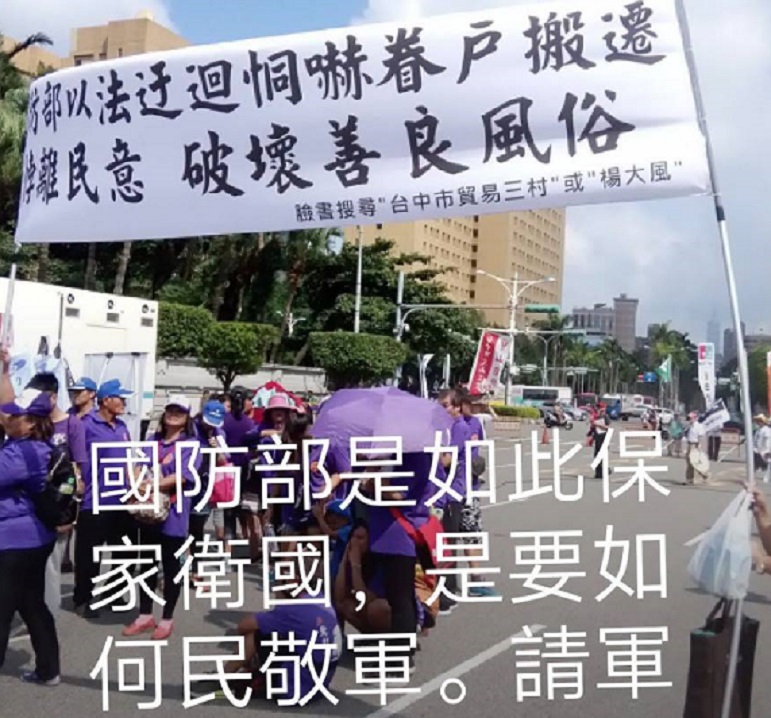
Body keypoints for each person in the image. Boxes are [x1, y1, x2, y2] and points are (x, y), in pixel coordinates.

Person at [123, 396, 202, 640]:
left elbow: (183, 476)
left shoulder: (191, 445)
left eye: (180, 411)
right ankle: (145, 615)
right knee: (146, 564)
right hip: (147, 511)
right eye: (170, 409)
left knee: (171, 568)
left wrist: (149, 485)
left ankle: (167, 618)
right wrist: (137, 483)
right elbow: (137, 466)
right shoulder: (151, 441)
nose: (174, 414)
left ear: (187, 417)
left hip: (174, 513)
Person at [0, 389, 61, 686]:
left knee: (4, 607)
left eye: (14, 416)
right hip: (34, 537)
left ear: (30, 423)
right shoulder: (35, 447)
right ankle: (48, 670)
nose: (6, 418)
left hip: (14, 540)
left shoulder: (20, 454)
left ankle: (48, 669)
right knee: (31, 603)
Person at [73, 379, 138, 619]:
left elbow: (128, 461)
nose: (124, 402)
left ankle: (113, 592)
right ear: (106, 400)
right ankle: (83, 598)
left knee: (126, 551)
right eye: (120, 398)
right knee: (89, 554)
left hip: (122, 500)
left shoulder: (122, 427)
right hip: (95, 499)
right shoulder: (85, 424)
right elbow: (74, 458)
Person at [25, 373, 87, 619]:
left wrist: (66, 508)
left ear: (52, 397)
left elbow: (78, 469)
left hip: (58, 502)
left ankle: (47, 616)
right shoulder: (33, 423)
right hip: (32, 502)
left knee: (51, 564)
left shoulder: (72, 424)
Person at [436, 388, 472, 616]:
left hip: (451, 494)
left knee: (446, 543)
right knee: (439, 544)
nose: (441, 410)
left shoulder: (459, 428)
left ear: (457, 407)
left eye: (445, 406)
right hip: (440, 493)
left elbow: (447, 460)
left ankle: (447, 594)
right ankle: (445, 589)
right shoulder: (445, 427)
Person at [191, 399, 230, 559]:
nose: (210, 426)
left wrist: (216, 449)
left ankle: (195, 563)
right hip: (186, 481)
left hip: (205, 484)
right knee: (182, 526)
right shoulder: (190, 428)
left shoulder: (219, 433)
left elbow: (223, 460)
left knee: (198, 524)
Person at [222, 387, 256, 545]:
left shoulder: (222, 421)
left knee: (227, 508)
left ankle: (228, 545)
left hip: (224, 468)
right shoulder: (249, 423)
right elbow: (254, 447)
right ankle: (243, 540)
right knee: (241, 505)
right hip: (242, 467)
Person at [684, 411, 708, 485]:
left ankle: (704, 474)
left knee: (695, 463)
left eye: (691, 418)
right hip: (689, 444)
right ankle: (689, 479)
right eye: (689, 418)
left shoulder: (698, 426)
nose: (689, 420)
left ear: (695, 418)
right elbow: (686, 435)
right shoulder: (689, 426)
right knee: (689, 462)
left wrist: (699, 446)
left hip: (695, 445)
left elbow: (700, 436)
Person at [591, 404, 611, 479]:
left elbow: (607, 428)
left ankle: (606, 470)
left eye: (599, 409)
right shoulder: (596, 417)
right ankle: (598, 473)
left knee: (602, 456)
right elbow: (594, 428)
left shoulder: (605, 416)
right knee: (596, 455)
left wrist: (598, 424)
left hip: (604, 438)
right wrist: (592, 423)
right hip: (597, 437)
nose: (598, 410)